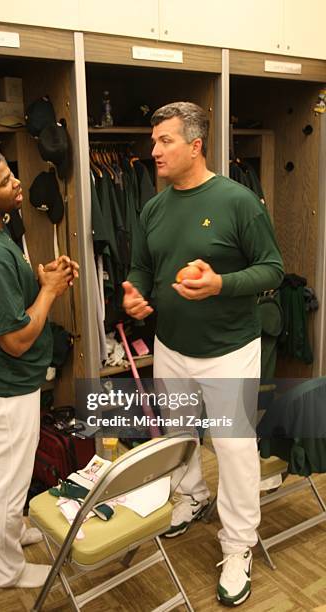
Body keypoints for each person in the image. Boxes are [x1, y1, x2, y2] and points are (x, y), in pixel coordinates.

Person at [122, 102, 284, 606]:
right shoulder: (155, 205)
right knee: (177, 434)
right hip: (170, 346)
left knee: (234, 450)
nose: (154, 151)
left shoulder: (238, 201)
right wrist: (133, 292)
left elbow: (273, 268)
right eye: (153, 141)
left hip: (228, 351)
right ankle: (191, 497)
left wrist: (220, 284)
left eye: (164, 141)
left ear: (195, 145)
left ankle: (238, 546)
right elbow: (141, 266)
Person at [0, 153, 79, 589]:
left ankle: (14, 530)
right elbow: (16, 339)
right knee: (8, 478)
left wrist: (40, 281)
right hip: (0, 381)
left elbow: (6, 300)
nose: (18, 182)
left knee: (16, 472)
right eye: (6, 181)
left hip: (7, 379)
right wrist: (49, 292)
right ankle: (8, 570)